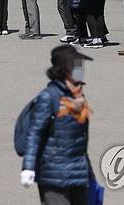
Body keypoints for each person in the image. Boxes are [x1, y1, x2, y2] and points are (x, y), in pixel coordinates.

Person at [21, 45, 92, 205]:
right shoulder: (48, 97)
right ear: (65, 68)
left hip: (78, 171)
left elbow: (80, 140)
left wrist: (89, 173)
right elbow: (34, 134)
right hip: (53, 173)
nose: (81, 69)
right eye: (78, 65)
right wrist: (28, 167)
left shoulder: (79, 97)